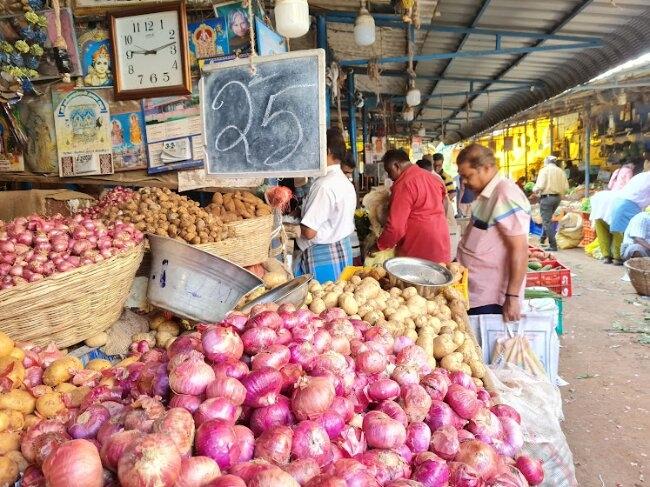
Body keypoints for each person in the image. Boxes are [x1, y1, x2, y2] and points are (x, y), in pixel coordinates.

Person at [456, 143, 530, 322]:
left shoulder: (504, 194)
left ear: (487, 168)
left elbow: (519, 249)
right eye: (462, 177)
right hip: (475, 290)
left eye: (468, 176)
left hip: (490, 298)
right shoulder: (486, 194)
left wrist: (512, 297)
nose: (464, 182)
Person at [294, 127, 356, 282]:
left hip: (324, 256)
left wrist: (289, 226)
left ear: (327, 150)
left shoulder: (324, 185)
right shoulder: (343, 180)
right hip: (342, 250)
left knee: (322, 302)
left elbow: (309, 232)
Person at [377, 149, 450, 263]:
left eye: (389, 171)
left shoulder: (403, 184)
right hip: (441, 245)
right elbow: (445, 203)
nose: (389, 176)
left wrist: (379, 246)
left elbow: (395, 228)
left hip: (418, 250)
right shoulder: (432, 178)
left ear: (396, 166)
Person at [609, 171, 650, 263]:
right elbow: (637, 238)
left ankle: (616, 258)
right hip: (628, 205)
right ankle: (629, 263)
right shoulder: (643, 217)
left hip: (624, 203)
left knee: (620, 233)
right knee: (634, 245)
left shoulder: (641, 175)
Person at [533, 155, 569, 251]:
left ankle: (553, 245)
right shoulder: (561, 171)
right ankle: (542, 239)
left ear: (547, 161)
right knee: (547, 219)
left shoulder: (544, 170)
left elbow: (539, 185)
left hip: (547, 198)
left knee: (546, 221)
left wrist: (534, 190)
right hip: (557, 198)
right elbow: (566, 188)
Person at [590, 190, 620, 264]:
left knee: (603, 236)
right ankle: (617, 258)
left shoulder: (598, 195)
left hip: (598, 214)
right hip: (613, 215)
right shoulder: (621, 196)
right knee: (618, 236)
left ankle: (606, 257)